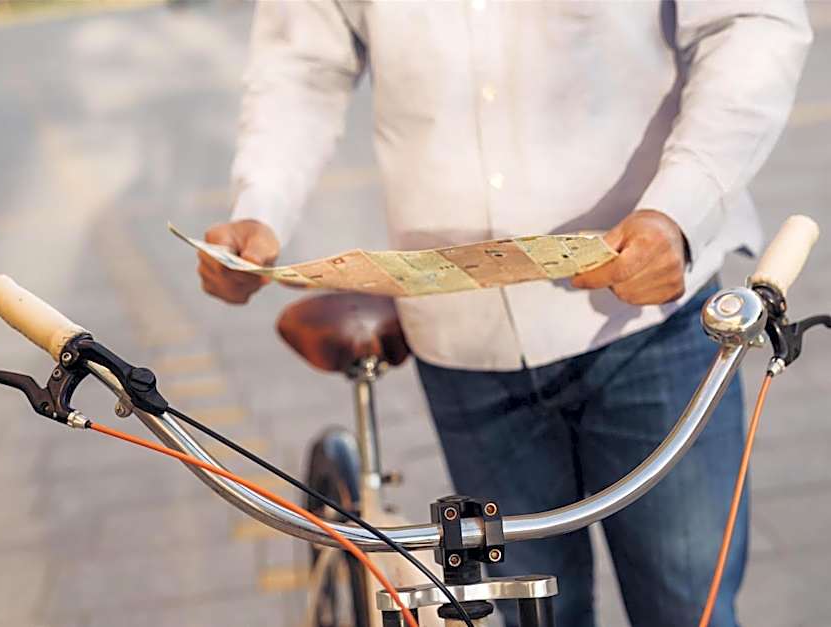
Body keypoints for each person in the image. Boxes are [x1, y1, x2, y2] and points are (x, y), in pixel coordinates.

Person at [195, 3, 812, 626]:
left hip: (647, 326)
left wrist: (682, 207)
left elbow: (753, 21)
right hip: (467, 348)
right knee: (528, 616)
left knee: (689, 610)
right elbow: (303, 63)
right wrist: (260, 206)